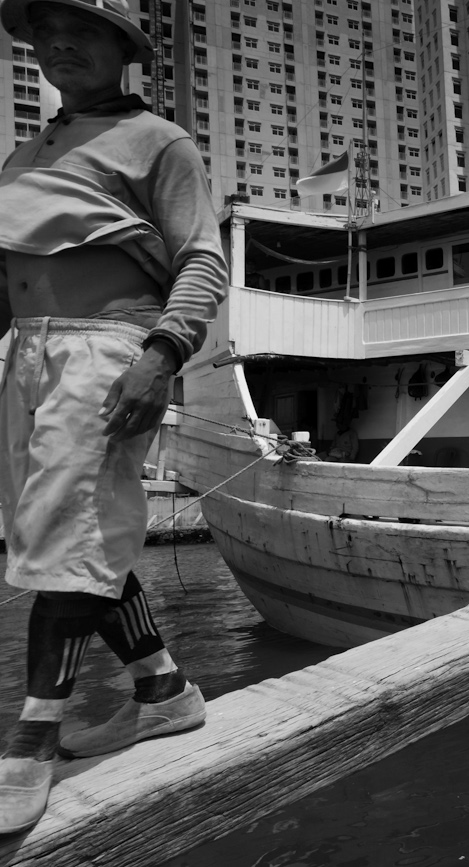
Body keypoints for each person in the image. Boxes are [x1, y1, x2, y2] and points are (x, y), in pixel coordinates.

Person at [0, 0, 226, 834]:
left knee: (66, 534)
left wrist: (161, 355)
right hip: (26, 356)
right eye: (47, 29)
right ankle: (164, 690)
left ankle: (30, 741)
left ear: (124, 48)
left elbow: (202, 255)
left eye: (84, 27)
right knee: (74, 532)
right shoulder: (26, 153)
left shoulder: (158, 140)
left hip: (107, 348)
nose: (61, 41)